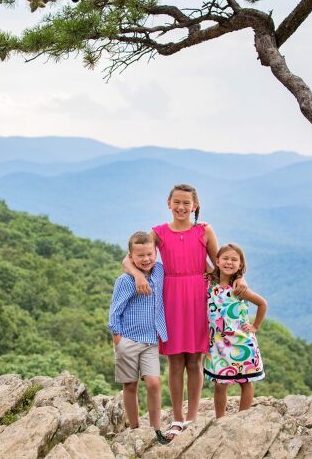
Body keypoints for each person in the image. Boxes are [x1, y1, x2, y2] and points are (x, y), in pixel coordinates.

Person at [123, 184, 245, 439]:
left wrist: (240, 280)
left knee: (195, 360)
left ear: (194, 206)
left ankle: (192, 416)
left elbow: (221, 262)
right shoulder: (158, 233)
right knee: (175, 360)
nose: (181, 207)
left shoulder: (204, 230)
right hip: (170, 296)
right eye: (176, 202)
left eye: (186, 203)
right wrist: (137, 275)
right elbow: (129, 258)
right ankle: (177, 417)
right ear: (169, 203)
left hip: (200, 296)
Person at [108, 231, 170, 443]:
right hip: (128, 340)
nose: (146, 259)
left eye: (150, 254)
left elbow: (132, 259)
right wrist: (118, 341)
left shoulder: (160, 271)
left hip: (151, 340)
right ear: (131, 257)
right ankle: (134, 427)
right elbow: (115, 311)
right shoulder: (124, 281)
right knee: (130, 384)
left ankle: (155, 429)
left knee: (154, 383)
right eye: (140, 256)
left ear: (156, 253)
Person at [204, 243, 267, 418]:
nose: (229, 262)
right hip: (218, 342)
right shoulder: (210, 281)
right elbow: (199, 256)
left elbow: (262, 303)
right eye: (225, 258)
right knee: (220, 384)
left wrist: (255, 326)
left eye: (234, 260)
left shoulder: (239, 289)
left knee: (245, 381)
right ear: (217, 261)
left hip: (242, 341)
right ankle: (220, 418)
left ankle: (242, 417)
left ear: (240, 265)